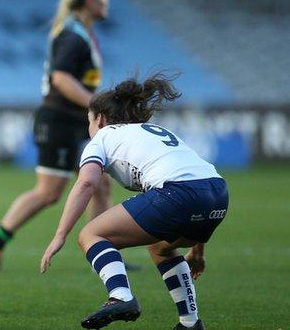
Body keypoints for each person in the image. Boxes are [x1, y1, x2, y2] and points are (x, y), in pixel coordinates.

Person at [40, 73, 228, 330]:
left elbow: (85, 183)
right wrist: (197, 249)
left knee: (91, 234)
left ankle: (121, 296)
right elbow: (196, 179)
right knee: (160, 246)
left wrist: (60, 235)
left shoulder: (103, 137)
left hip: (179, 194)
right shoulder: (156, 132)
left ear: (101, 119)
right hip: (217, 193)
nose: (89, 128)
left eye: (89, 121)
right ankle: (190, 323)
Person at [0, 0, 114, 272]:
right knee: (49, 192)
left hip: (75, 122)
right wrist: (96, 104)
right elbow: (60, 79)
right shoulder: (72, 36)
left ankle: (99, 250)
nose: (106, 1)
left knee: (101, 183)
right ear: (88, 1)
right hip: (59, 121)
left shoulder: (81, 33)